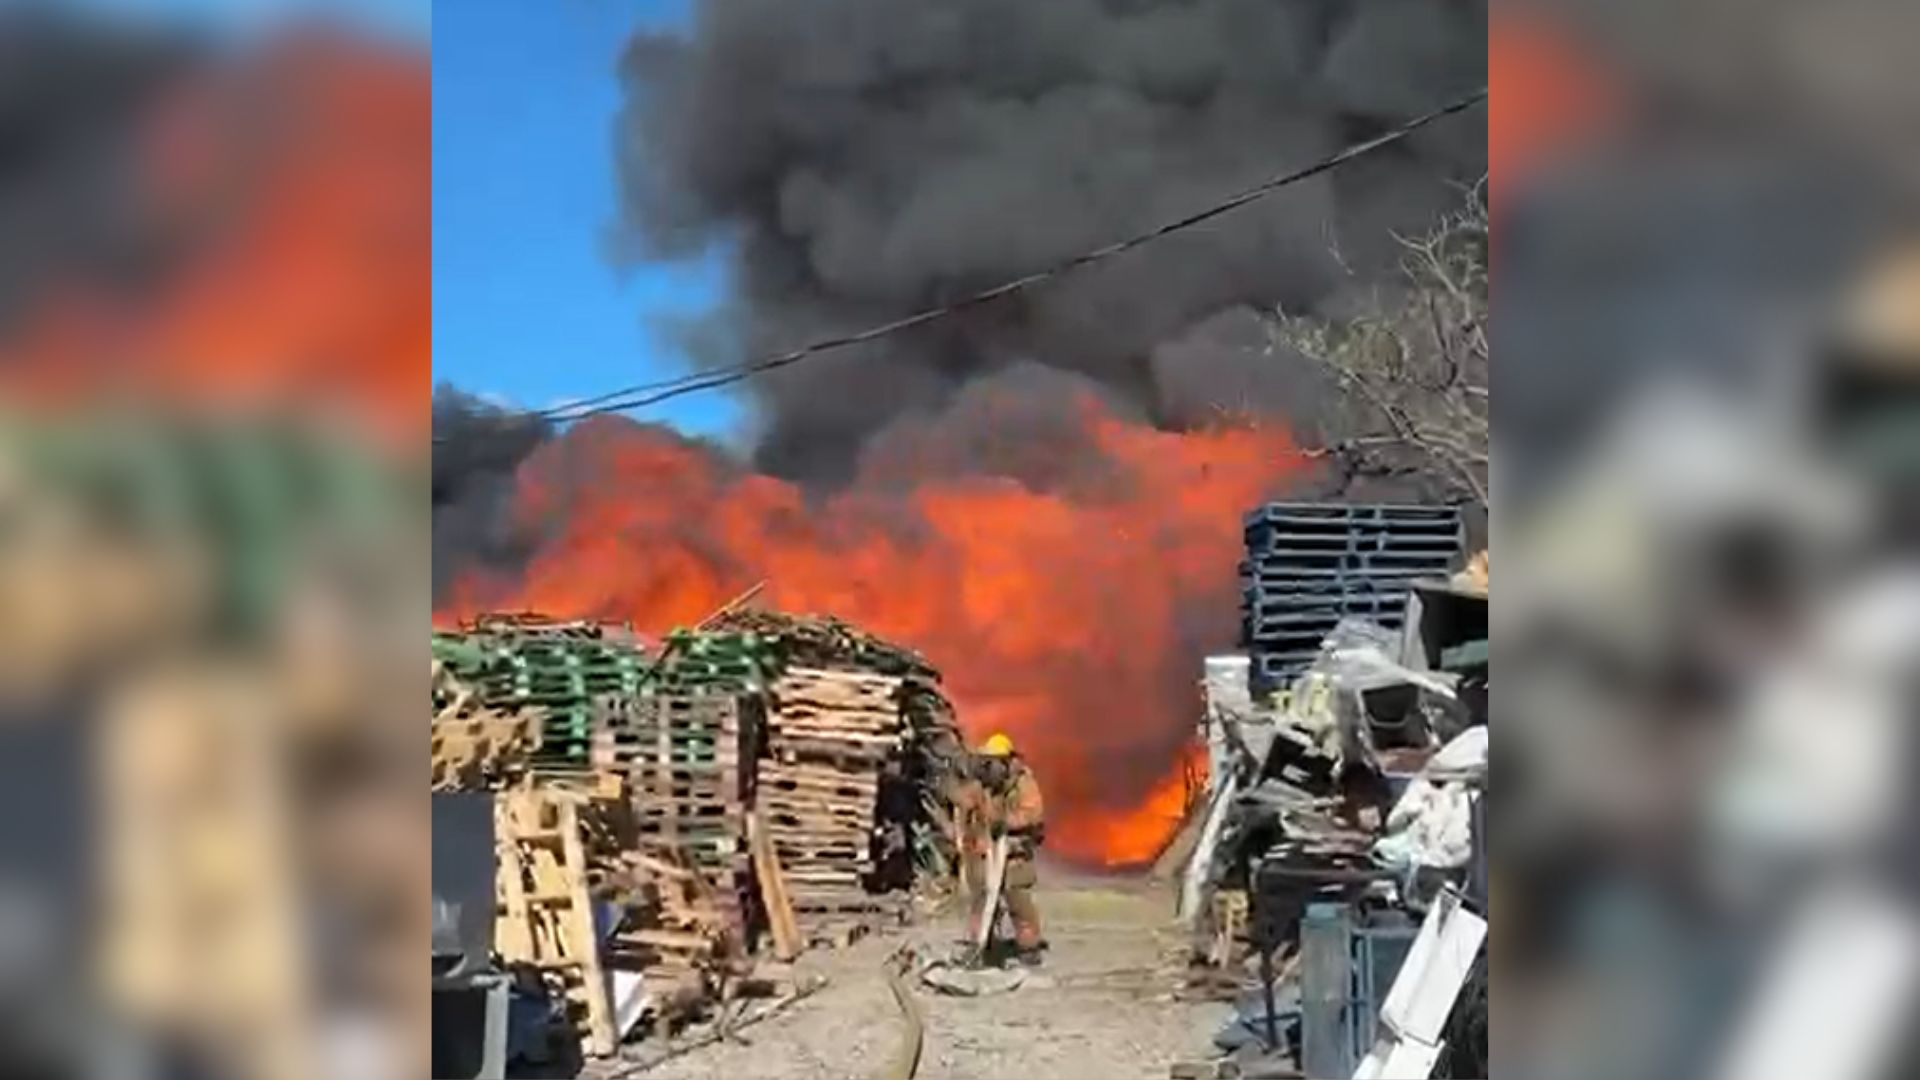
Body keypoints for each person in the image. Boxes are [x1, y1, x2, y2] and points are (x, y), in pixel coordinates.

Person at [954, 732, 1046, 965]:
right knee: (981, 899)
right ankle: (980, 943)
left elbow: (1032, 813)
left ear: (1006, 763)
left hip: (1014, 851)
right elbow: (964, 801)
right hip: (988, 851)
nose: (989, 768)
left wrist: (1006, 822)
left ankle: (1029, 947)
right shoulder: (983, 785)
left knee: (1018, 900)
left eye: (993, 763)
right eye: (986, 763)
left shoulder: (1023, 784)